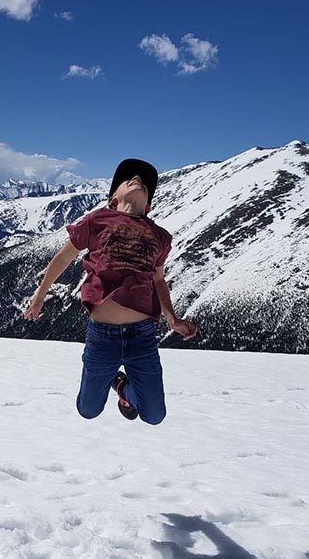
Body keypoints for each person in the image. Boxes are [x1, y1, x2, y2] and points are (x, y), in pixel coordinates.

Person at [22, 158, 197, 424]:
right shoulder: (96, 220)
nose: (136, 178)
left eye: (143, 183)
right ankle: (116, 380)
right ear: (113, 199)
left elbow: (159, 281)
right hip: (102, 336)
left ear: (148, 206)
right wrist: (39, 296)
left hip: (142, 337)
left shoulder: (160, 237)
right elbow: (62, 258)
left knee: (154, 415)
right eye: (128, 179)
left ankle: (123, 388)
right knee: (88, 410)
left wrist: (172, 319)